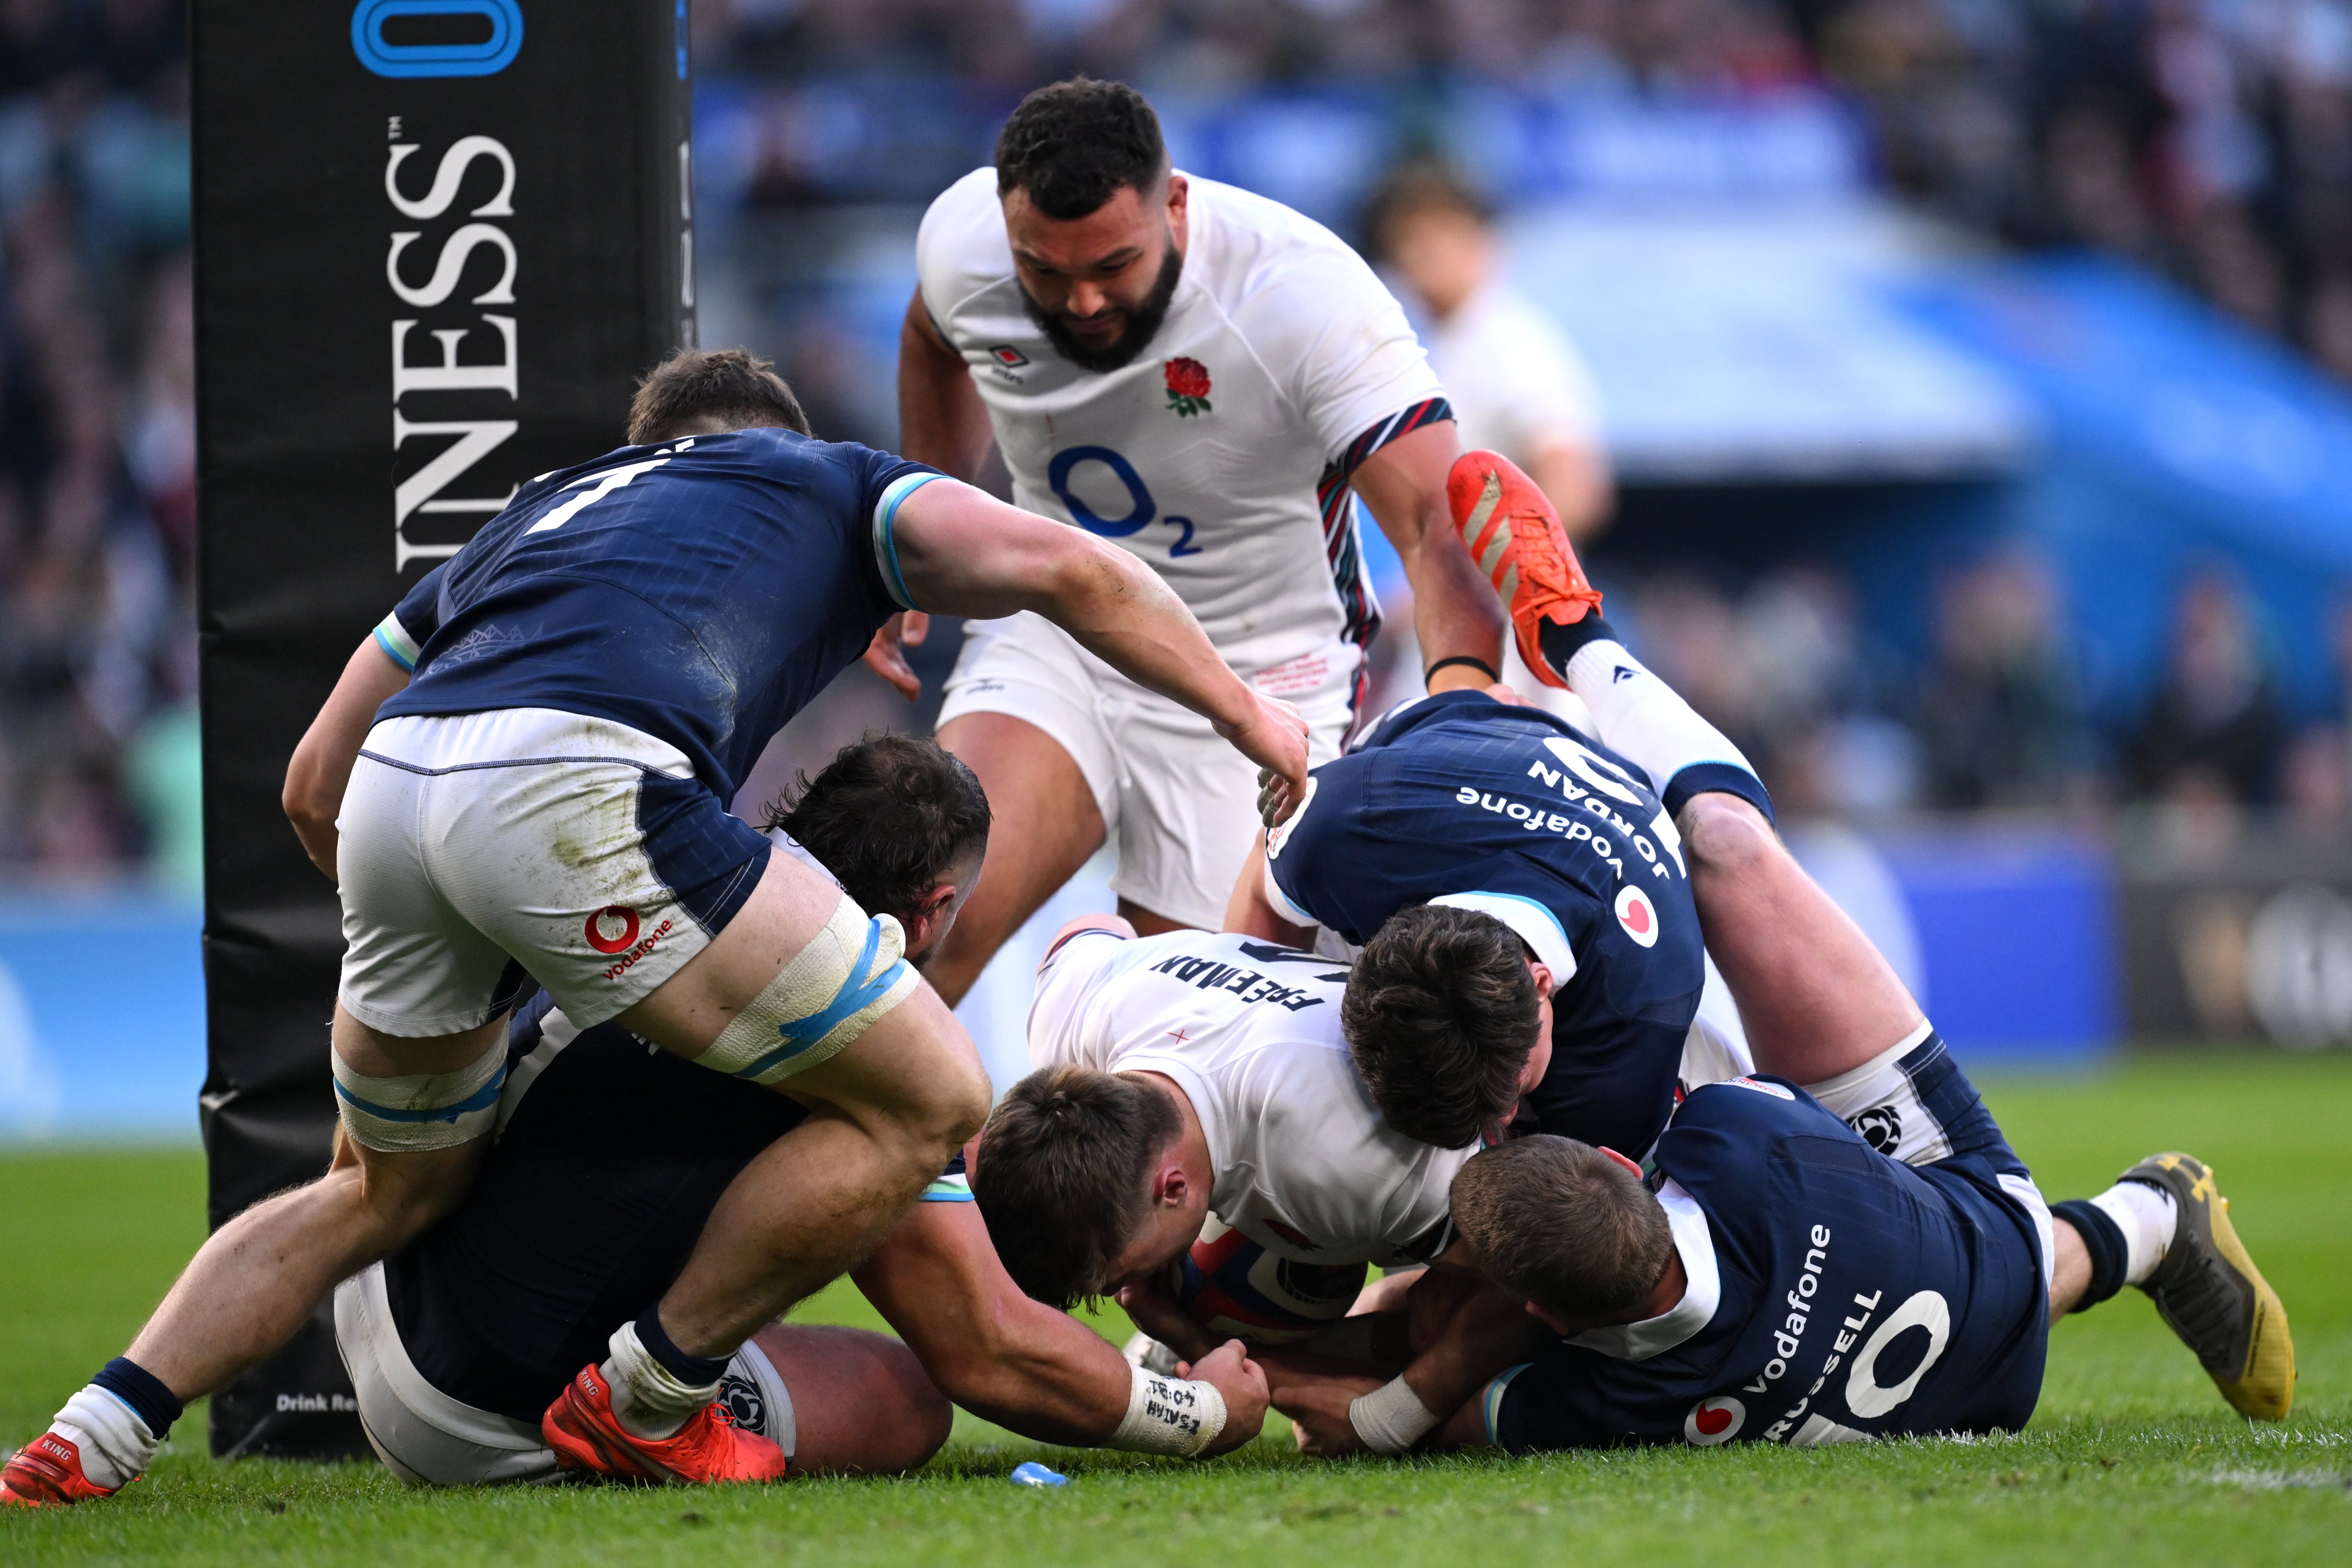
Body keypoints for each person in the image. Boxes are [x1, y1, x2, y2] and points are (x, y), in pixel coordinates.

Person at [0, 349, 1307, 1507]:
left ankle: (98, 1425)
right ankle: (648, 1392)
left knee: (373, 1185)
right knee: (929, 1095)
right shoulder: (833, 486)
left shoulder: (536, 516)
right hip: (585, 801)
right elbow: (1073, 566)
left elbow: (307, 786)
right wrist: (1251, 720)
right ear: (774, 441)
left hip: (401, 792)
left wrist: (472, 929)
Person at [325, 736, 1267, 1485]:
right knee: (909, 1399)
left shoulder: (662, 879)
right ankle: (641, 1405)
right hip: (475, 1415)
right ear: (934, 908)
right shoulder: (872, 1030)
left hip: (374, 1284)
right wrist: (1202, 1412)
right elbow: (986, 1349)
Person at [1257, 791, 2295, 1456]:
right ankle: (2153, 1213)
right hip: (1986, 1238)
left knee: (1435, 1312)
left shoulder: (1605, 1406)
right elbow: (1429, 1408)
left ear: (1551, 1314)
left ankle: (2140, 1224)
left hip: (1989, 1388)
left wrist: (1256, 1367)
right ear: (1627, 1167)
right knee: (1725, 847)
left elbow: (1435, 1387)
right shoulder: (1731, 1140)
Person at [881, 77, 1507, 1011]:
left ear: (1176, 204)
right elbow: (934, 334)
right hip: (1060, 628)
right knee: (919, 936)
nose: (1083, 301)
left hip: (1262, 678)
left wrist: (1463, 718)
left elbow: (1434, 524)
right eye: (1044, 273)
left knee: (1183, 1031)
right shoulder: (964, 243)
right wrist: (924, 520)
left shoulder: (1303, 296)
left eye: (1114, 265)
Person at [1224, 451, 1764, 1159]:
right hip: (1459, 750)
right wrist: (1246, 1036)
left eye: (1510, 1089)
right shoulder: (1338, 830)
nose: (1497, 1117)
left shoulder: (1633, 1032)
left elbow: (1544, 1236)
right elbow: (1262, 899)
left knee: (1728, 838)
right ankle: (1545, 628)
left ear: (1543, 988)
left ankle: (1579, 644)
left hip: (1600, 858)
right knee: (1468, 688)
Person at [970, 920, 1474, 1346]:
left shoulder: (1347, 1161)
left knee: (1442, 1323)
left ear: (1173, 1187)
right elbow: (1081, 935)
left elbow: (1517, 1285)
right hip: (1338, 1011)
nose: (1118, 1295)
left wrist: (1377, 1412)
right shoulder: (1072, 1014)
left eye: (1116, 1278)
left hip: (1506, 1074)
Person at [1365, 160, 1611, 709]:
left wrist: (1479, 574)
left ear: (1484, 242)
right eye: (1406, 241)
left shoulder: (1512, 342)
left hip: (1517, 629)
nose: (1419, 257)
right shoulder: (1448, 345)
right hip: (1467, 620)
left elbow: (1578, 485)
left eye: (1438, 237)